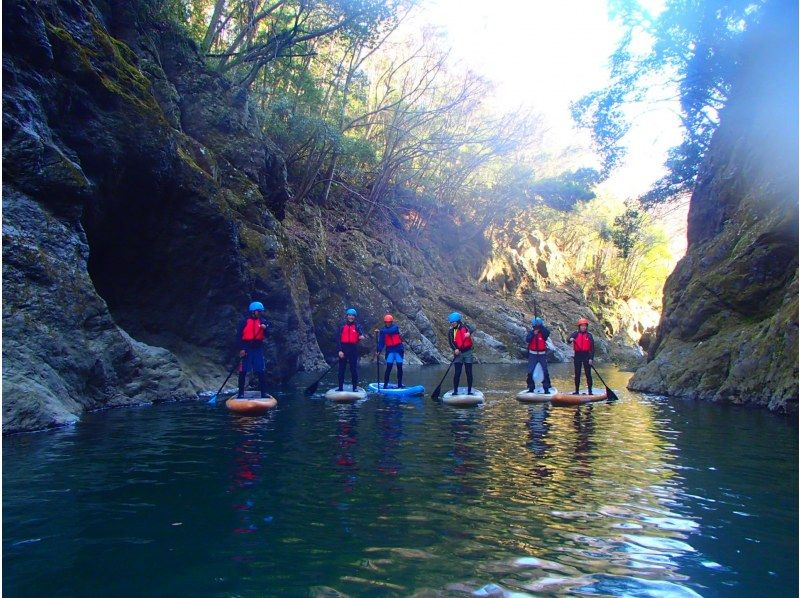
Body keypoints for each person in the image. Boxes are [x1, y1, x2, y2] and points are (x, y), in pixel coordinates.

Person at [237, 301, 268, 398]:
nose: (260, 313)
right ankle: (241, 393)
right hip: (246, 348)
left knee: (260, 371)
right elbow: (238, 336)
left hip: (257, 349)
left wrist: (265, 329)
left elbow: (268, 335)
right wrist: (241, 349)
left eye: (261, 312)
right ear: (253, 311)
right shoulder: (244, 322)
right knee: (243, 371)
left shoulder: (263, 322)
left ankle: (263, 393)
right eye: (258, 311)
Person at [337, 307, 365, 391]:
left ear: (355, 317)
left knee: (354, 369)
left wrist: (361, 336)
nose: (351, 317)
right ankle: (340, 388)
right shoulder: (342, 326)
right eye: (349, 315)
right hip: (343, 349)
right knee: (341, 370)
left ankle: (354, 388)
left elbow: (361, 334)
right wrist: (339, 351)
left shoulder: (357, 326)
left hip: (353, 349)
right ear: (347, 316)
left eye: (353, 316)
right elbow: (337, 339)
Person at [447, 312, 475, 395]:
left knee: (468, 372)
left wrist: (469, 333)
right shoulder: (451, 331)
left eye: (454, 322)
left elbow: (473, 327)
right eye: (451, 322)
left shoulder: (465, 326)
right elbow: (451, 342)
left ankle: (469, 390)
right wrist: (455, 349)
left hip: (468, 352)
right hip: (458, 354)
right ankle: (455, 391)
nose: (452, 324)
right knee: (457, 372)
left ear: (458, 321)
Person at [376, 314, 405, 388]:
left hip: (398, 350)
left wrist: (381, 331)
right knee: (388, 368)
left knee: (399, 367)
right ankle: (385, 385)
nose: (388, 323)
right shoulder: (383, 331)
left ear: (391, 322)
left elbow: (391, 331)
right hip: (390, 351)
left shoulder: (395, 328)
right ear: (385, 322)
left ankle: (399, 384)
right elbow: (381, 342)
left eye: (389, 322)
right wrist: (378, 350)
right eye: (386, 322)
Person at [568, 318, 595, 394]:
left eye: (585, 326)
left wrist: (591, 358)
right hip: (578, 355)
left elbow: (592, 348)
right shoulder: (575, 333)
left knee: (588, 374)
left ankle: (590, 391)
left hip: (586, 355)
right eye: (582, 326)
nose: (583, 327)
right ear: (579, 326)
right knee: (577, 373)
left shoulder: (589, 335)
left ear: (586, 327)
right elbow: (568, 340)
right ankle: (577, 391)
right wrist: (571, 339)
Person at [526, 317, 552, 393]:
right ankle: (531, 388)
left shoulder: (543, 333)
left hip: (542, 354)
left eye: (537, 326)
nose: (536, 328)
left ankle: (546, 388)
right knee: (530, 371)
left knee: (544, 371)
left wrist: (541, 327)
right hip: (533, 354)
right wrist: (534, 334)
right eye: (535, 326)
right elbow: (527, 339)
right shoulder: (531, 333)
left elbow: (547, 334)